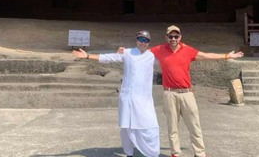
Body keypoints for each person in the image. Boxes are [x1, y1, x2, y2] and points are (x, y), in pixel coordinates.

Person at [119, 25, 243, 157]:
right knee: (172, 127)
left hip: (186, 93)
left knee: (194, 125)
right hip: (169, 93)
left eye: (176, 36)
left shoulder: (187, 50)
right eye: (170, 36)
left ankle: (200, 153)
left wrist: (226, 56)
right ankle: (175, 153)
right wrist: (125, 51)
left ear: (180, 37)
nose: (173, 39)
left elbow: (205, 55)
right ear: (166, 37)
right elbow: (141, 50)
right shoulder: (159, 50)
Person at [73, 31, 159, 157]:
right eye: (141, 39)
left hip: (144, 99)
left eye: (146, 40)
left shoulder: (152, 56)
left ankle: (152, 153)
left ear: (149, 43)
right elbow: (108, 58)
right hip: (127, 97)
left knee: (150, 126)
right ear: (136, 40)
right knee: (126, 128)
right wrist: (87, 56)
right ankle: (129, 153)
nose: (143, 43)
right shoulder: (128, 52)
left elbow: (171, 59)